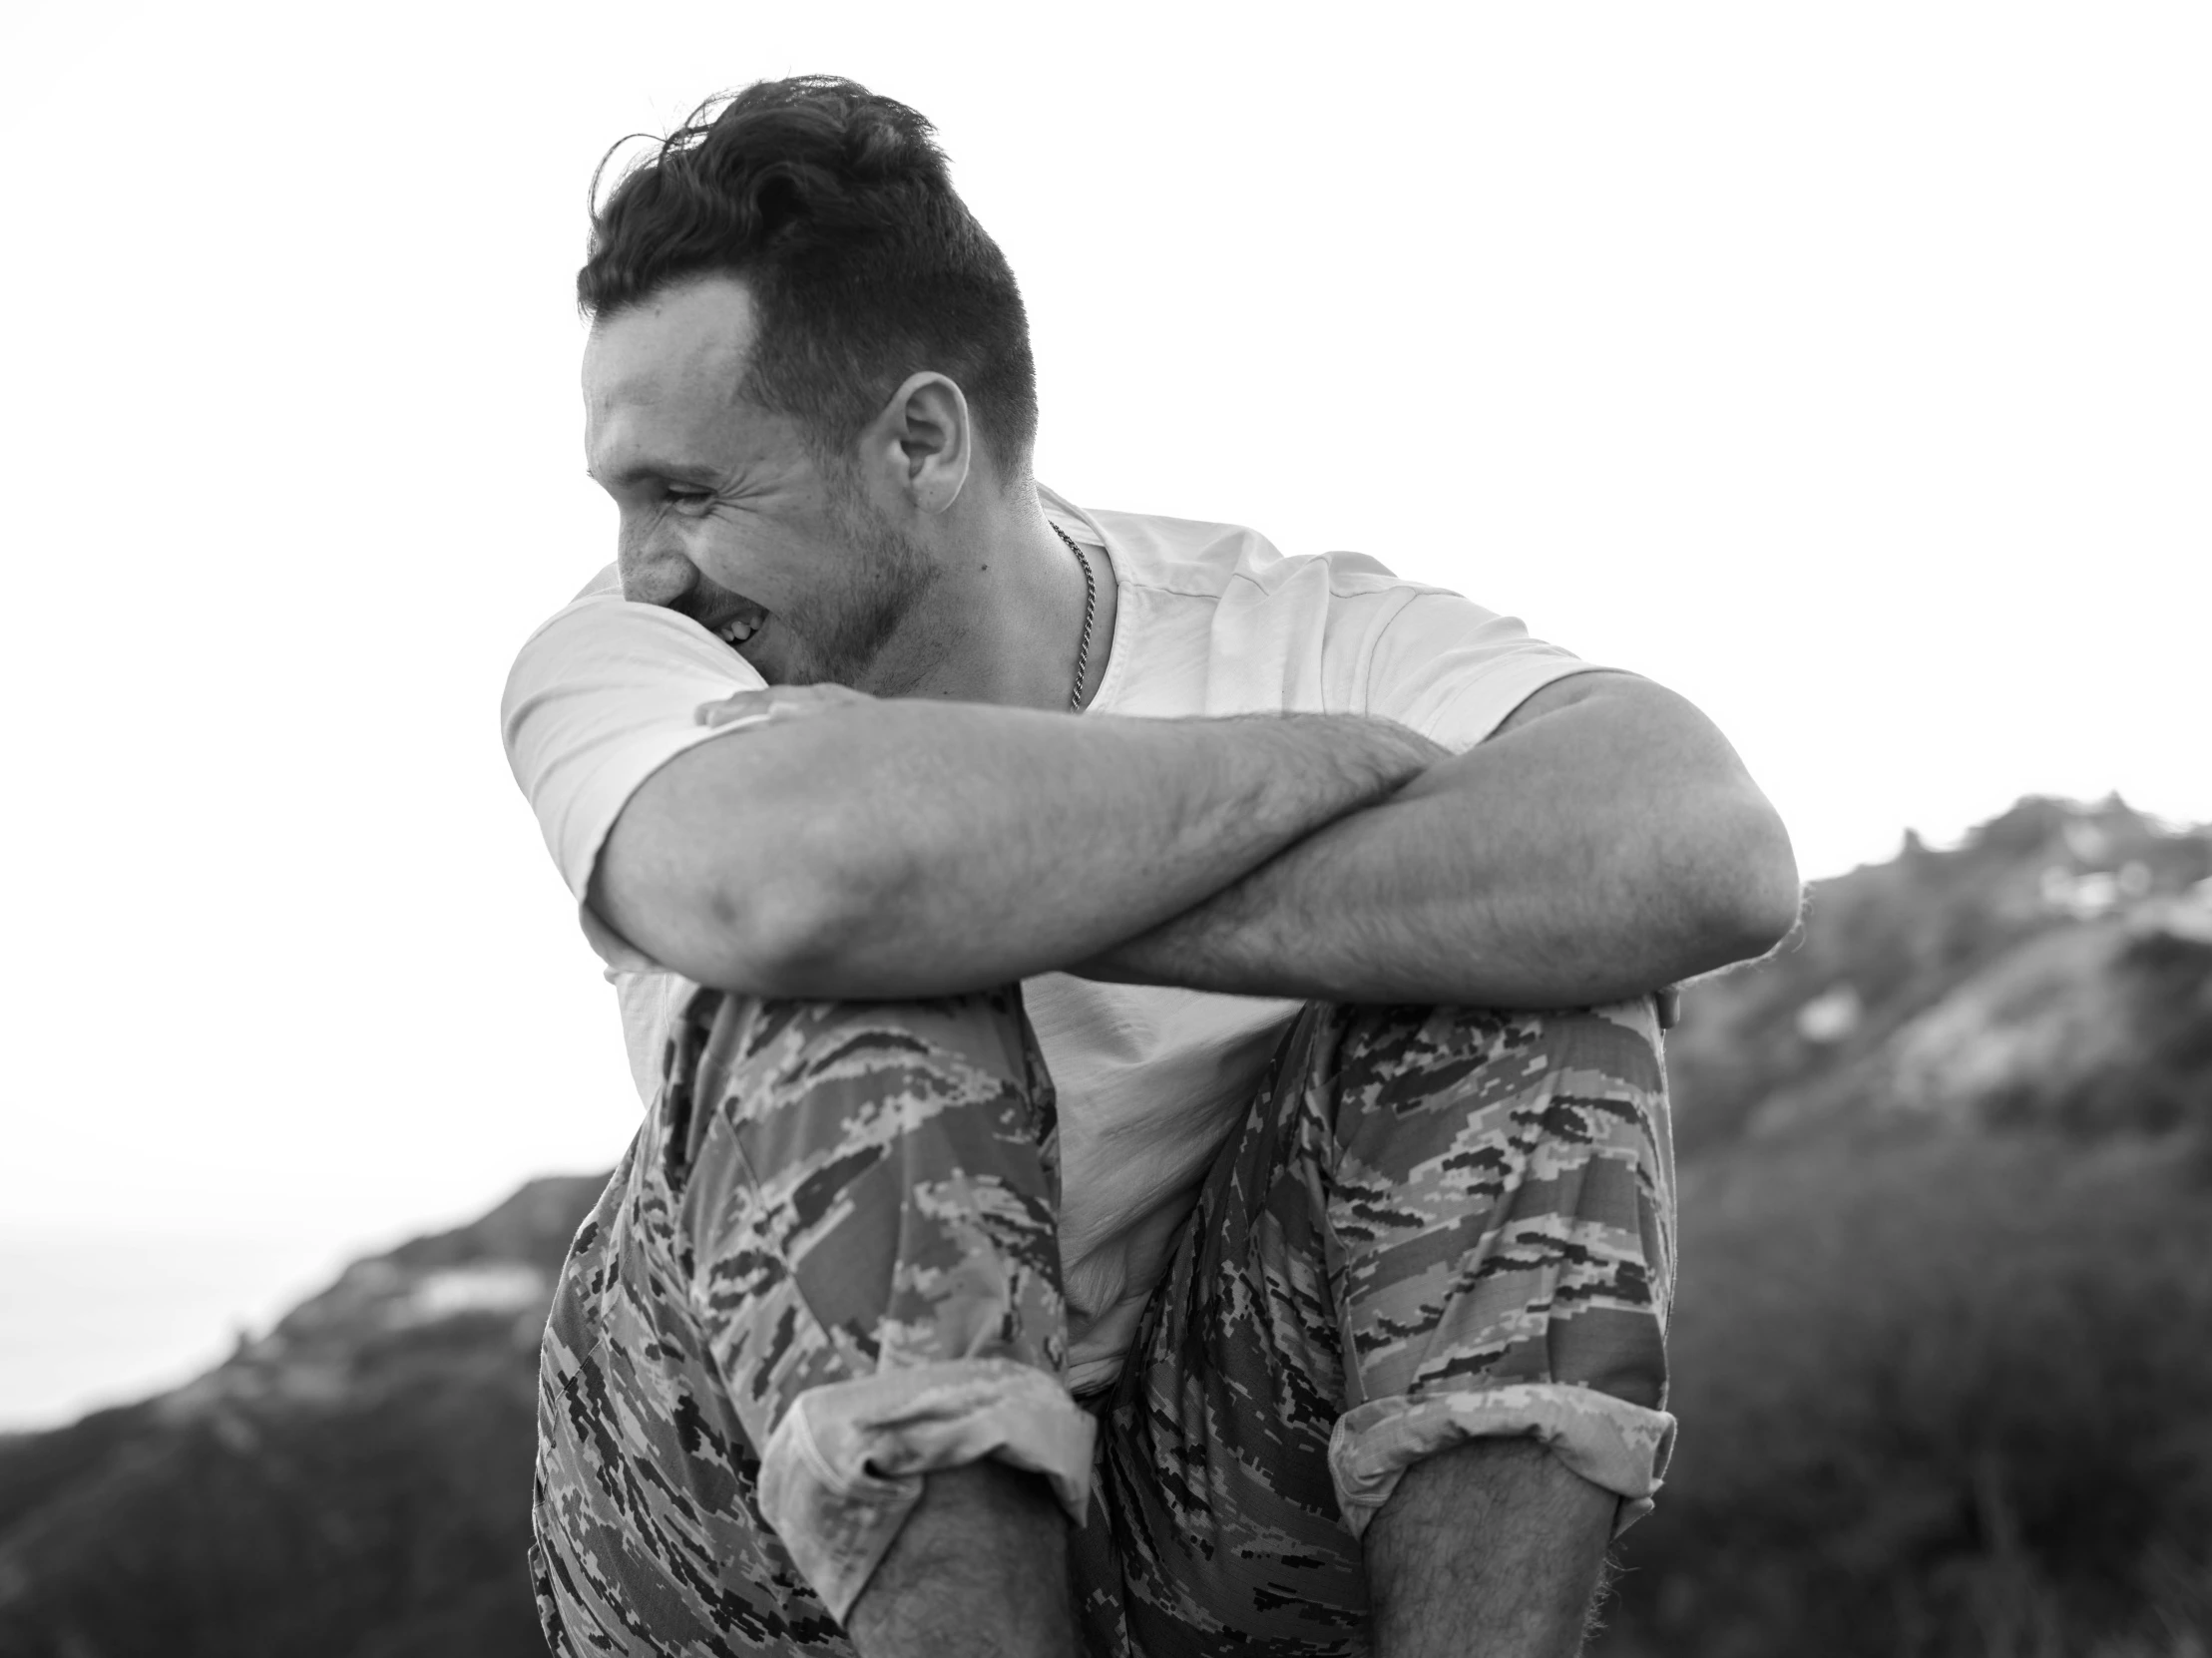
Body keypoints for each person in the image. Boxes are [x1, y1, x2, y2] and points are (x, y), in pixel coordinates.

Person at [500, 75, 1798, 1658]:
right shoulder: (620, 661)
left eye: (692, 492)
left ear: (920, 439)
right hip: (750, 1539)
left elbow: (1703, 851)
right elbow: (794, 888)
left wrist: (1058, 873)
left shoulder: (1289, 624)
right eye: (624, 497)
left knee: (1533, 1000)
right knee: (853, 987)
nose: (646, 561)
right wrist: (1320, 771)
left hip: (1210, 1476)